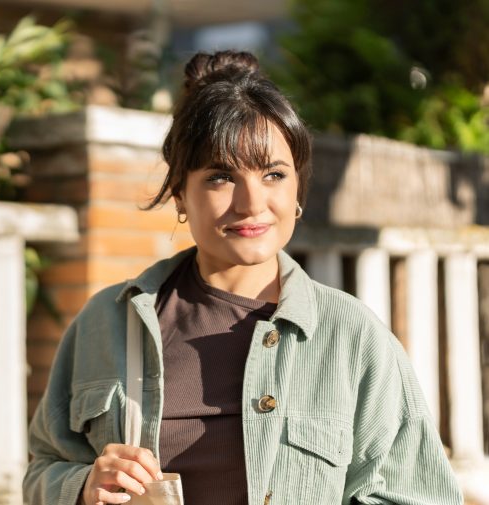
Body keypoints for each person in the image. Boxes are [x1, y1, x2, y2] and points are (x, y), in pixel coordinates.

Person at [23, 50, 463, 505]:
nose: (252, 203)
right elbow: (43, 468)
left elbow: (417, 495)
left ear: (298, 192)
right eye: (220, 177)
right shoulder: (107, 323)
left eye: (274, 174)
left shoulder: (352, 336)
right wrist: (81, 488)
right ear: (179, 194)